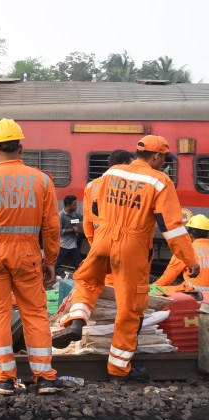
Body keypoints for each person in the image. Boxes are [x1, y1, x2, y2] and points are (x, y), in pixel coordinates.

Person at [53, 135, 200, 382]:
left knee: (88, 282)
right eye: (164, 158)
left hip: (102, 239)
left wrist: (94, 238)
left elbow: (94, 211)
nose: (164, 164)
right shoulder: (160, 182)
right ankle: (119, 369)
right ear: (156, 156)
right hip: (132, 247)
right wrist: (190, 259)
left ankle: (76, 320)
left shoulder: (111, 174)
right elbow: (171, 228)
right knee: (130, 307)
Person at [0, 119, 62, 395]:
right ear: (21, 147)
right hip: (28, 255)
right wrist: (50, 259)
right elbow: (51, 226)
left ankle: (4, 377)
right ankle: (45, 377)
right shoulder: (41, 180)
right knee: (35, 314)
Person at [83, 150, 134, 245]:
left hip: (98, 238)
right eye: (132, 165)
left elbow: (87, 218)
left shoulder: (91, 185)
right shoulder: (132, 187)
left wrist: (91, 241)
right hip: (124, 240)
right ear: (124, 164)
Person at [152, 214, 209, 294]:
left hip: (194, 294)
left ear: (189, 235)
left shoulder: (186, 250)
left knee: (156, 289)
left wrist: (153, 287)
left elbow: (168, 278)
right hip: (203, 296)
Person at [55, 195, 82, 274]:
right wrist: (72, 230)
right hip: (64, 245)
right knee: (56, 264)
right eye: (74, 205)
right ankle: (48, 276)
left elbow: (82, 218)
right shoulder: (61, 216)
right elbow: (59, 231)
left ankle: (80, 278)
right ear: (68, 205)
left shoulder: (74, 214)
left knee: (79, 265)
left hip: (73, 245)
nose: (76, 206)